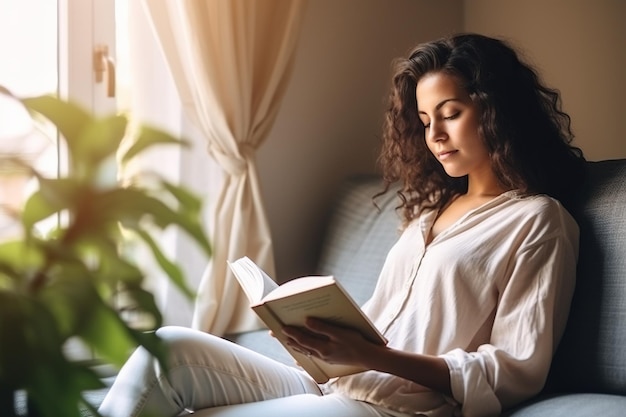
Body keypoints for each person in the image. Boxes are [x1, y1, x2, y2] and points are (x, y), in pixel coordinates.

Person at [99, 33, 586, 417]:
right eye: (423, 119)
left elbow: (516, 369)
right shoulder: (428, 214)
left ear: (496, 110)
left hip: (396, 407)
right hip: (335, 382)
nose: (434, 135)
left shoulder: (539, 222)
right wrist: (304, 332)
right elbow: (383, 321)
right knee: (167, 350)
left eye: (451, 114)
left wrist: (372, 357)